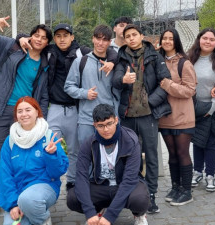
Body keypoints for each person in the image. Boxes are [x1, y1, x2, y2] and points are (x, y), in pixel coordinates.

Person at [19, 23, 116, 191]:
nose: (62, 39)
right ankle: (45, 181)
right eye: (58, 36)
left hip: (75, 109)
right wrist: (20, 37)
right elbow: (29, 41)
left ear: (72, 37)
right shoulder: (48, 51)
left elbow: (108, 50)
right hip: (54, 107)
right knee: (47, 145)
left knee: (75, 150)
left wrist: (113, 61)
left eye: (66, 35)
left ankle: (72, 182)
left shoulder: (81, 53)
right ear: (54, 38)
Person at [0, 16, 51, 221]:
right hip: (1, 109)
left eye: (44, 37)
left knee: (25, 155)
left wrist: (40, 116)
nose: (39, 39)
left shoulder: (45, 63)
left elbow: (43, 94)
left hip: (27, 113)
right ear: (31, 35)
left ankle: (22, 196)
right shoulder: (11, 46)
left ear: (47, 43)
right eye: (36, 35)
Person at [111, 24, 171, 214]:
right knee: (129, 156)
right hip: (127, 115)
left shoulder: (154, 56)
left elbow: (165, 82)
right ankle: (132, 192)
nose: (131, 38)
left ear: (141, 36)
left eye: (134, 35)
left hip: (148, 115)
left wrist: (151, 101)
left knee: (151, 156)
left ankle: (151, 195)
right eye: (127, 36)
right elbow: (115, 79)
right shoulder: (121, 57)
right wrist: (122, 80)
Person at [66, 104, 149, 225]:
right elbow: (81, 176)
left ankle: (139, 215)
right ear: (95, 125)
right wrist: (89, 212)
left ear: (116, 120)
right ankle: (97, 210)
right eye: (100, 126)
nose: (105, 129)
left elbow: (129, 180)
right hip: (101, 185)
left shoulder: (130, 140)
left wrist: (110, 216)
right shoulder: (89, 143)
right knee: (72, 197)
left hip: (123, 184)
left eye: (109, 124)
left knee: (140, 199)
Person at [0, 96, 68, 225]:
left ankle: (43, 219)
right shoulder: (11, 140)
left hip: (44, 187)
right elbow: (5, 175)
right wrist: (13, 204)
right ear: (16, 115)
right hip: (18, 192)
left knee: (28, 200)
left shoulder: (48, 136)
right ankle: (32, 214)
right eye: (20, 111)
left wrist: (51, 155)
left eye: (28, 110)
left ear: (37, 112)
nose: (24, 114)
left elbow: (58, 172)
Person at [187, 28, 215, 192]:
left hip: (211, 108)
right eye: (204, 38)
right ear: (199, 39)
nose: (207, 41)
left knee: (211, 143)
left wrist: (210, 110)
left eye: (212, 39)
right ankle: (197, 171)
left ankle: (210, 175)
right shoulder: (190, 58)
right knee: (197, 142)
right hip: (192, 107)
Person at [64, 25, 120, 154]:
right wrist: (84, 93)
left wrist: (116, 117)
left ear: (109, 42)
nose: (101, 43)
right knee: (87, 156)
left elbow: (118, 91)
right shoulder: (80, 62)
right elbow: (68, 86)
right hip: (87, 120)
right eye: (98, 38)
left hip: (109, 120)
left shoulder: (114, 64)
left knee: (110, 156)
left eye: (105, 40)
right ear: (92, 39)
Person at [157, 28, 197, 206]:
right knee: (172, 154)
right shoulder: (157, 61)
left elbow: (190, 90)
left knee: (182, 153)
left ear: (176, 41)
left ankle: (186, 191)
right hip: (164, 116)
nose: (167, 41)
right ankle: (176, 187)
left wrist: (168, 85)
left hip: (182, 116)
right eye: (164, 38)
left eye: (170, 39)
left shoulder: (184, 63)